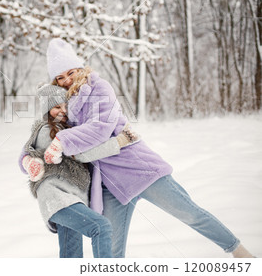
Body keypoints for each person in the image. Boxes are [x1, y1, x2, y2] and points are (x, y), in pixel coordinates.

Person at [21, 38, 254, 258]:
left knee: (190, 213)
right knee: (110, 252)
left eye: (71, 72)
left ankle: (238, 250)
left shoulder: (100, 89)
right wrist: (30, 159)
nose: (67, 79)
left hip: (139, 170)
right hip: (110, 186)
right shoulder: (65, 109)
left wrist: (63, 142)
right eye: (60, 77)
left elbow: (99, 128)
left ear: (80, 69)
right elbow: (69, 149)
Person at [20, 83, 139, 258]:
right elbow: (82, 154)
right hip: (58, 198)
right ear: (46, 110)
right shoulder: (47, 131)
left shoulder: (69, 129)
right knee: (101, 227)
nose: (63, 111)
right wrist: (120, 142)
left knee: (71, 254)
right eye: (56, 107)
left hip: (72, 199)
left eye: (66, 106)